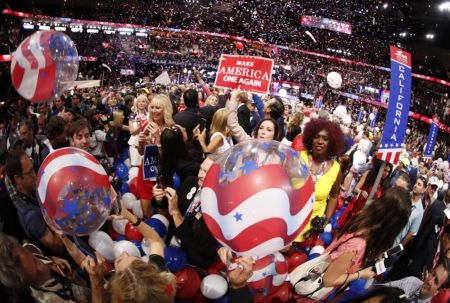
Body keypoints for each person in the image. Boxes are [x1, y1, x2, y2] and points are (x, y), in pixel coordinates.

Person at [153, 158, 220, 269]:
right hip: (172, 244)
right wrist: (159, 198)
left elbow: (194, 241)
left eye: (206, 172)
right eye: (201, 169)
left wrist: (175, 212)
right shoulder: (191, 182)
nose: (200, 174)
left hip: (193, 261)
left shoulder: (218, 204)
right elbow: (169, 204)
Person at [105, 200, 176, 303]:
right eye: (139, 261)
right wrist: (129, 216)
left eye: (119, 260)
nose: (124, 253)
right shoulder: (161, 282)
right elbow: (155, 241)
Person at [5, 152, 65, 255]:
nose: (35, 174)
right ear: (17, 179)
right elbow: (57, 247)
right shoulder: (30, 215)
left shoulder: (32, 191)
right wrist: (60, 214)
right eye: (29, 173)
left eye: (33, 169)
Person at [295, 118, 344, 242]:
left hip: (310, 229)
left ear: (331, 143)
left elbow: (334, 196)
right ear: (311, 138)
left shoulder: (336, 169)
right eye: (317, 137)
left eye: (325, 139)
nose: (320, 141)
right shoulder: (298, 157)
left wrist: (325, 221)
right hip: (289, 220)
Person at [388, 188, 449, 280]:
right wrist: (412, 258)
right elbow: (421, 237)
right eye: (447, 216)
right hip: (413, 260)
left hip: (422, 268)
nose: (447, 220)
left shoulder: (445, 232)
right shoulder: (435, 218)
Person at [136, 94, 175, 218]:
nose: (153, 111)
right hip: (146, 172)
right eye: (152, 107)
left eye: (157, 108)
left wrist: (158, 139)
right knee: (146, 211)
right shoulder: (145, 125)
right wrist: (141, 144)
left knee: (162, 212)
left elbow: (168, 157)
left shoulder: (171, 129)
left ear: (165, 109)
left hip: (162, 174)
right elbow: (142, 153)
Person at [337, 158, 392, 229]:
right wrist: (361, 192)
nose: (386, 173)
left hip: (367, 213)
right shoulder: (369, 174)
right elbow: (356, 189)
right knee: (345, 227)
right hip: (357, 206)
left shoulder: (385, 185)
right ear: (380, 168)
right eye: (385, 170)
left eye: (388, 171)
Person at [381, 257, 450, 303]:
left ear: (438, 291)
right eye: (433, 274)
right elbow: (381, 288)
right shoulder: (412, 281)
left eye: (436, 281)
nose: (429, 281)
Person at [392, 176, 426, 248]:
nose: (416, 185)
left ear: (423, 190)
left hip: (394, 243)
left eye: (419, 184)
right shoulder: (404, 194)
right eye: (416, 183)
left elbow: (410, 233)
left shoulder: (420, 211)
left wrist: (398, 249)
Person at [128, 94, 148, 167]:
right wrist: (141, 126)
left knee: (145, 167)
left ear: (146, 103)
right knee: (135, 166)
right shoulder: (132, 115)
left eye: (143, 101)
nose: (141, 103)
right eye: (139, 101)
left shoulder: (149, 115)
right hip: (134, 145)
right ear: (136, 103)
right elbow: (132, 132)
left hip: (146, 144)